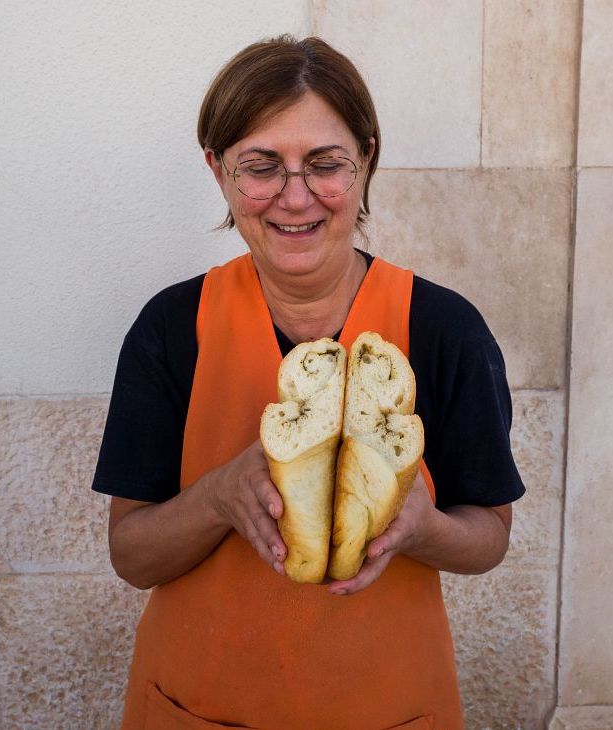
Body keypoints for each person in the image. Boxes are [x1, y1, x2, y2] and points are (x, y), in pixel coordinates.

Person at [92, 35, 525, 730]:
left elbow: (489, 536)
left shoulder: (443, 329)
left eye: (324, 164)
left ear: (367, 160)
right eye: (260, 166)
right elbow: (132, 555)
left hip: (390, 707)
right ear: (217, 171)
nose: (294, 198)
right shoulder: (173, 327)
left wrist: (420, 527)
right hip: (195, 705)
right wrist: (217, 496)